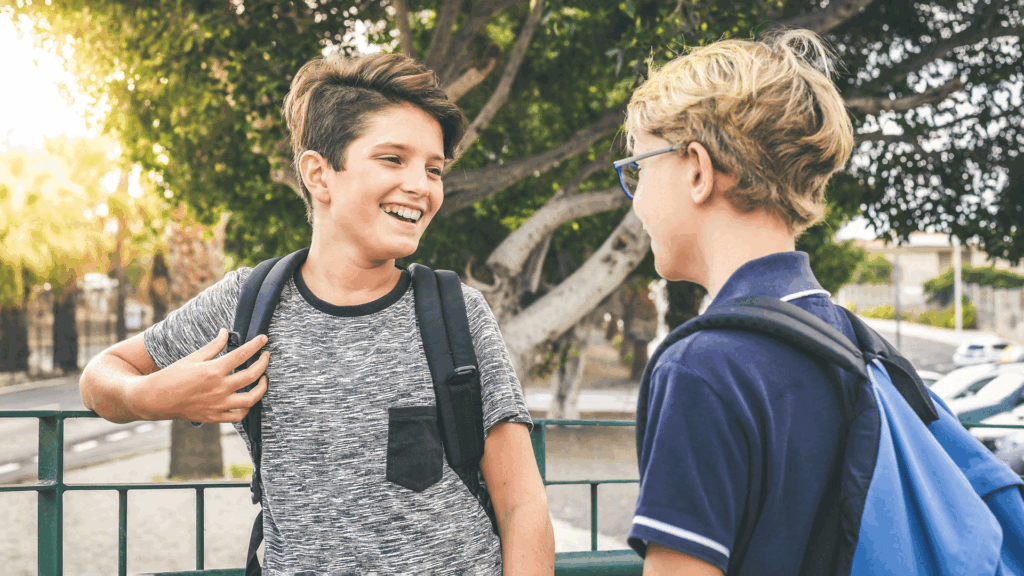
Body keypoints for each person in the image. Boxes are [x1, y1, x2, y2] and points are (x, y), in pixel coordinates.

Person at [80, 52, 554, 575]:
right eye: (393, 159)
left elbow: (522, 506)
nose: (421, 185)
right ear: (319, 174)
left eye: (434, 168)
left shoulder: (456, 312)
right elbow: (100, 378)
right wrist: (152, 396)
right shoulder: (247, 302)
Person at [616, 30, 857, 575]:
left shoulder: (703, 367)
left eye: (639, 168)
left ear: (697, 171)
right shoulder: (856, 344)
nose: (637, 199)